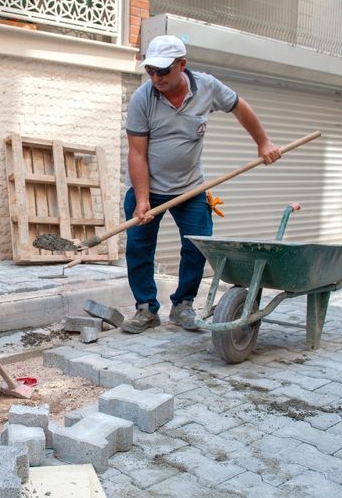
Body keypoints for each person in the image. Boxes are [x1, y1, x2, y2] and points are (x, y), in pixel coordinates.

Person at [120, 35, 282, 334]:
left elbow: (240, 107)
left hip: (190, 188)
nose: (156, 78)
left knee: (198, 246)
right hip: (147, 186)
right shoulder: (142, 98)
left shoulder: (207, 86)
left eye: (163, 71)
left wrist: (263, 142)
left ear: (182, 65)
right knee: (139, 248)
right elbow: (136, 152)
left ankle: (183, 306)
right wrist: (143, 199)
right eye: (150, 72)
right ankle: (146, 309)